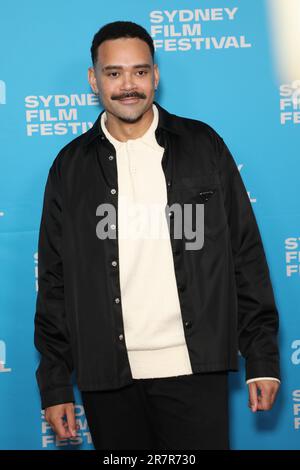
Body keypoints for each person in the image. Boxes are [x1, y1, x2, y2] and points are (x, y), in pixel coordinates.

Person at [34, 21, 281, 450]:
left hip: (193, 370)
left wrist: (261, 358)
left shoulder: (203, 145)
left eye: (140, 71)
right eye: (114, 73)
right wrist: (56, 383)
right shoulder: (69, 167)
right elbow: (54, 282)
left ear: (156, 76)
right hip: (108, 377)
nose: (128, 85)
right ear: (94, 80)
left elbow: (245, 254)